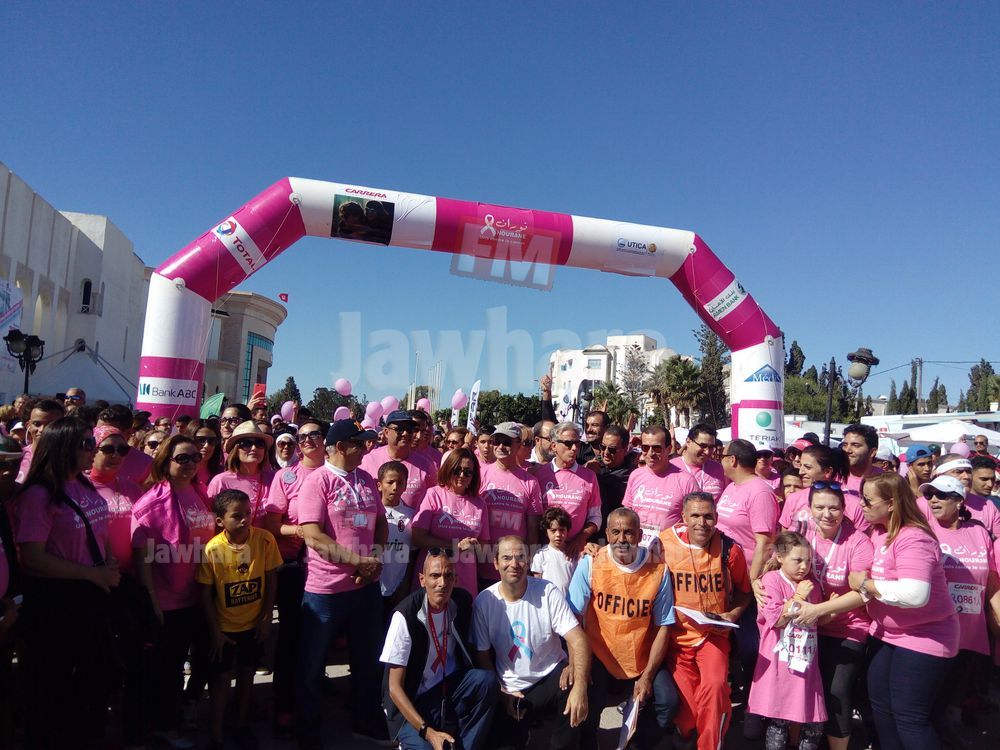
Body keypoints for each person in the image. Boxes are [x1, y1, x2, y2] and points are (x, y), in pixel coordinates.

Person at [14, 416, 120, 750]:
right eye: (87, 444)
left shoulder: (82, 484)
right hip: (56, 602)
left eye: (93, 443)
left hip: (91, 597)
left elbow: (98, 529)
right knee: (52, 685)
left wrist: (108, 562)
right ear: (63, 447)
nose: (93, 451)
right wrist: (92, 574)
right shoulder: (40, 495)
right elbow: (32, 558)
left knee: (93, 677)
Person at [296, 418, 389, 748]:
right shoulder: (317, 481)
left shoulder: (365, 479)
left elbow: (381, 524)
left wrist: (372, 559)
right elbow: (312, 535)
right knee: (312, 665)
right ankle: (307, 731)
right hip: (326, 591)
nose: (365, 449)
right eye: (358, 443)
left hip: (365, 587)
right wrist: (357, 561)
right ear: (339, 447)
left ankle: (365, 721)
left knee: (367, 661)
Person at [856, 472, 959, 750]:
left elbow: (915, 595)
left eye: (867, 500)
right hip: (886, 633)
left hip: (926, 636)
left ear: (891, 503)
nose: (861, 504)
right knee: (882, 709)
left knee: (910, 717)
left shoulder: (913, 538)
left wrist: (867, 584)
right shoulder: (878, 532)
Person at [568, 507, 679, 750]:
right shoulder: (591, 562)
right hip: (600, 653)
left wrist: (648, 675)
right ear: (607, 534)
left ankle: (637, 743)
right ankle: (589, 738)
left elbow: (664, 626)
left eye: (628, 532)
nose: (622, 539)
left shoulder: (658, 570)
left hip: (641, 657)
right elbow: (573, 617)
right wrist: (575, 663)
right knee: (584, 692)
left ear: (639, 535)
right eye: (616, 532)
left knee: (667, 701)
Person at [131, 434, 216, 749]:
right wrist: (152, 599)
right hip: (167, 601)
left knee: (191, 661)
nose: (191, 463)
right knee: (165, 668)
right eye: (182, 458)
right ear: (165, 462)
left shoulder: (198, 492)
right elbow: (143, 556)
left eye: (195, 457)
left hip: (197, 593)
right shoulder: (151, 503)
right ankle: (161, 727)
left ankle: (176, 715)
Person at [472, 536, 590, 750]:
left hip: (550, 676)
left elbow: (578, 639)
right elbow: (483, 656)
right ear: (496, 563)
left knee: (574, 682)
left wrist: (580, 687)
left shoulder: (547, 591)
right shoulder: (484, 602)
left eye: (520, 557)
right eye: (506, 558)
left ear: (528, 561)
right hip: (511, 688)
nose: (514, 564)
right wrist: (501, 692)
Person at [783, 482, 875, 750]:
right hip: (808, 627)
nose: (827, 514)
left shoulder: (858, 541)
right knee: (799, 685)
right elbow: (779, 567)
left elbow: (864, 593)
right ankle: (798, 742)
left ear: (844, 509)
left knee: (836, 690)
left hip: (848, 627)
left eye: (834, 508)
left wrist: (823, 610)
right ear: (809, 508)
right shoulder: (802, 535)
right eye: (819, 507)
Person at [659, 492, 751, 750]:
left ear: (717, 518)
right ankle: (684, 736)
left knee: (715, 691)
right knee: (688, 715)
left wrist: (732, 614)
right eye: (695, 516)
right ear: (683, 517)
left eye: (708, 516)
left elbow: (744, 592)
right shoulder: (663, 544)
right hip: (676, 638)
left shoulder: (730, 550)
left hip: (713, 635)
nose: (702, 523)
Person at [381, 550, 498, 750]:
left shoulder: (460, 603)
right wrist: (428, 732)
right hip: (411, 701)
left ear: (455, 579)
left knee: (486, 681)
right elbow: (394, 688)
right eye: (435, 576)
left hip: (444, 689)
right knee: (427, 747)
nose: (442, 583)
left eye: (448, 576)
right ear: (422, 580)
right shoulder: (405, 615)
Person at [198, 489, 282, 750]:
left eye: (247, 512)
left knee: (247, 675)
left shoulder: (265, 540)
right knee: (221, 680)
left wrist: (266, 618)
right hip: (224, 628)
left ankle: (242, 725)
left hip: (253, 625)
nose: (245, 519)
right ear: (220, 521)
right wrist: (215, 632)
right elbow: (205, 594)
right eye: (236, 515)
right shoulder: (213, 549)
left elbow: (271, 579)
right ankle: (216, 735)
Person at [918, 475, 1000, 737]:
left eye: (941, 495)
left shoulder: (978, 531)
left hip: (971, 631)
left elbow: (991, 581)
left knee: (954, 693)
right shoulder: (923, 531)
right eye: (929, 495)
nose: (933, 500)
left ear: (959, 501)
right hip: (935, 631)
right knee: (929, 699)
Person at [261, 419, 327, 738]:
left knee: (319, 638)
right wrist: (299, 531)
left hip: (328, 567)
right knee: (290, 638)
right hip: (294, 567)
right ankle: (285, 705)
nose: (308, 440)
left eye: (315, 434)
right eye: (302, 436)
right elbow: (272, 524)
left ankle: (311, 701)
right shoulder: (286, 476)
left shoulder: (337, 474)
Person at [716, 439, 778, 737]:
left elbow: (764, 541)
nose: (719, 460)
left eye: (723, 455)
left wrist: (752, 581)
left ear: (733, 460)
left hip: (749, 583)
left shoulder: (760, 491)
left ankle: (759, 711)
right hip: (726, 578)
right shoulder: (732, 487)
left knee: (752, 648)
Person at [748, 531, 827, 750]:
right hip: (780, 663)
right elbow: (776, 619)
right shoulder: (771, 580)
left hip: (807, 661)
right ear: (780, 557)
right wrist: (799, 597)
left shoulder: (811, 584)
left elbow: (819, 619)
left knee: (813, 722)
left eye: (808, 561)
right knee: (779, 719)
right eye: (797, 560)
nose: (804, 566)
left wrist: (832, 609)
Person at [412, 447, 491, 595]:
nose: (462, 475)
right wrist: (456, 546)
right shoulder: (433, 494)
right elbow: (418, 537)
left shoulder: (480, 503)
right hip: (434, 579)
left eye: (468, 472)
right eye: (457, 470)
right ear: (448, 468)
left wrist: (474, 546)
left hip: (465, 580)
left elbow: (483, 546)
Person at [478, 423, 542, 585]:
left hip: (514, 567)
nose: (500, 446)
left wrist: (528, 562)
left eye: (506, 442)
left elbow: (533, 528)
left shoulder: (531, 482)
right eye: (496, 441)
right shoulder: (480, 475)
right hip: (482, 565)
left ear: (519, 445)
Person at [622, 425, 699, 548]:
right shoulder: (635, 475)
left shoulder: (687, 481)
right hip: (637, 550)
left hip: (670, 551)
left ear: (669, 449)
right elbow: (627, 513)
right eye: (645, 447)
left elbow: (696, 520)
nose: (650, 453)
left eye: (657, 448)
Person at [532, 422, 602, 557]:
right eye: (568, 443)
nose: (574, 448)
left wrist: (581, 538)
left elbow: (595, 517)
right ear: (554, 446)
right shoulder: (539, 475)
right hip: (545, 552)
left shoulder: (589, 476)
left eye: (577, 443)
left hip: (576, 553)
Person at [362, 410, 436, 510]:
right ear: (386, 432)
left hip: (412, 520)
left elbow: (433, 499)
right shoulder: (368, 460)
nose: (405, 433)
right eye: (400, 429)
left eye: (409, 430)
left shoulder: (426, 464)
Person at [208, 421, 275, 526]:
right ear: (235, 450)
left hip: (267, 537)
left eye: (259, 444)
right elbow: (212, 520)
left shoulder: (273, 479)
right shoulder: (220, 481)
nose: (254, 448)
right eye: (246, 444)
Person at [779, 444, 850, 532]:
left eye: (808, 467)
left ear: (827, 471)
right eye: (801, 465)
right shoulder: (794, 498)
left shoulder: (851, 503)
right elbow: (785, 535)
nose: (800, 472)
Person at [932, 452, 1000, 538]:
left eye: (968, 471)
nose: (966, 476)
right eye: (958, 472)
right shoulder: (924, 504)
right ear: (940, 476)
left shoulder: (988, 506)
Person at [379, 460, 416, 612]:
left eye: (400, 482)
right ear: (379, 485)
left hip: (398, 588)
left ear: (405, 485)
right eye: (390, 482)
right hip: (372, 586)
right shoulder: (371, 512)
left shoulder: (411, 515)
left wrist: (404, 586)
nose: (395, 487)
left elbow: (411, 556)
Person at [595, 424, 639, 537]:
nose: (605, 452)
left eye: (612, 449)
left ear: (625, 449)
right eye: (603, 447)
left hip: (618, 534)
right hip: (594, 532)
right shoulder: (593, 466)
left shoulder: (632, 475)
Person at [669, 423, 729, 501]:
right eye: (703, 446)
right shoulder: (670, 467)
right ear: (688, 442)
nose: (707, 452)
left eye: (711, 447)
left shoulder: (719, 469)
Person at [15, 397, 65, 482]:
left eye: (50, 424)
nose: (42, 429)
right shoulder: (17, 458)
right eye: (37, 424)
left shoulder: (70, 461)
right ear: (28, 425)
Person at [530, 506, 578, 594]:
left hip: (571, 601)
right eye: (553, 530)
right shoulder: (540, 555)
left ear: (567, 530)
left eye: (562, 530)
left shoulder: (574, 553)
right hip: (549, 600)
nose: (558, 534)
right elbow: (536, 583)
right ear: (546, 532)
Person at [840, 423, 882, 505]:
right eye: (845, 445)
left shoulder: (885, 481)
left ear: (872, 452)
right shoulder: (832, 477)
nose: (848, 450)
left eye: (855, 445)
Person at [186, 418, 224, 485]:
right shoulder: (180, 472)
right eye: (201, 440)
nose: (206, 445)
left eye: (212, 441)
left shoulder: (223, 473)